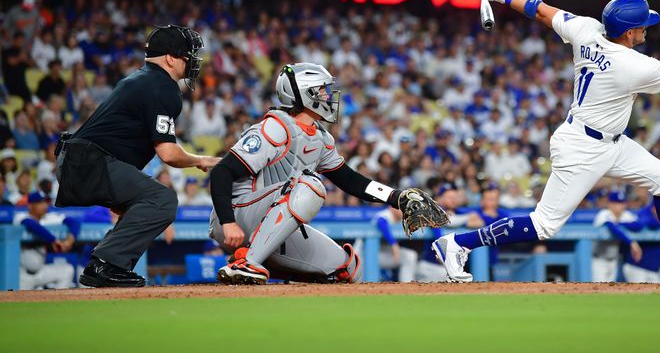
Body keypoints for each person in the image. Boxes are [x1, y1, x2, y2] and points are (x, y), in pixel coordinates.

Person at [432, 0, 660, 283]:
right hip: (582, 147)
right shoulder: (633, 65)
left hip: (613, 143)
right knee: (544, 225)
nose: (647, 29)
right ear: (630, 33)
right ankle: (458, 243)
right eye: (644, 25)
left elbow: (540, 10)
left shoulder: (586, 29)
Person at [208, 62, 446, 285]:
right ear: (304, 94)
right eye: (322, 90)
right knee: (311, 185)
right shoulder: (274, 127)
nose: (328, 96)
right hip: (236, 216)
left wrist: (395, 197)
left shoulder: (320, 137)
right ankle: (247, 263)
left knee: (347, 268)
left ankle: (260, 270)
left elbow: (349, 179)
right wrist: (228, 222)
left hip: (269, 225)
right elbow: (221, 173)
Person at [54, 25, 219, 288]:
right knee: (163, 198)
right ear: (170, 58)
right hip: (87, 162)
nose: (193, 62)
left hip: (81, 159)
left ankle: (107, 266)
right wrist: (203, 160)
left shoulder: (143, 79)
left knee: (146, 200)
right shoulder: (162, 86)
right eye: (188, 56)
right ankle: (106, 264)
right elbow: (168, 153)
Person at [16, 191, 80, 290]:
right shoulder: (20, 216)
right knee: (18, 302)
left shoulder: (48, 217)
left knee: (67, 270)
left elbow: (73, 222)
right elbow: (32, 224)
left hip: (40, 271)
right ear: (30, 205)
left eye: (45, 202)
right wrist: (53, 240)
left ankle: (57, 303)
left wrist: (69, 240)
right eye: (40, 203)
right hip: (22, 275)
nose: (44, 205)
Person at [592, 189, 640, 282]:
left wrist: (620, 223)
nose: (620, 206)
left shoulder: (625, 215)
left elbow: (637, 225)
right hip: (599, 260)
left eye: (622, 203)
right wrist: (631, 243)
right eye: (617, 203)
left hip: (614, 260)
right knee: (598, 289)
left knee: (611, 291)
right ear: (609, 204)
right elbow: (611, 227)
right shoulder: (603, 214)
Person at [373, 206, 419, 282]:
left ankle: (407, 287)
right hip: (365, 254)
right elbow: (380, 222)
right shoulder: (385, 214)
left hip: (384, 252)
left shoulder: (402, 220)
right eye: (402, 209)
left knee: (409, 256)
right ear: (393, 207)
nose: (405, 211)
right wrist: (394, 244)